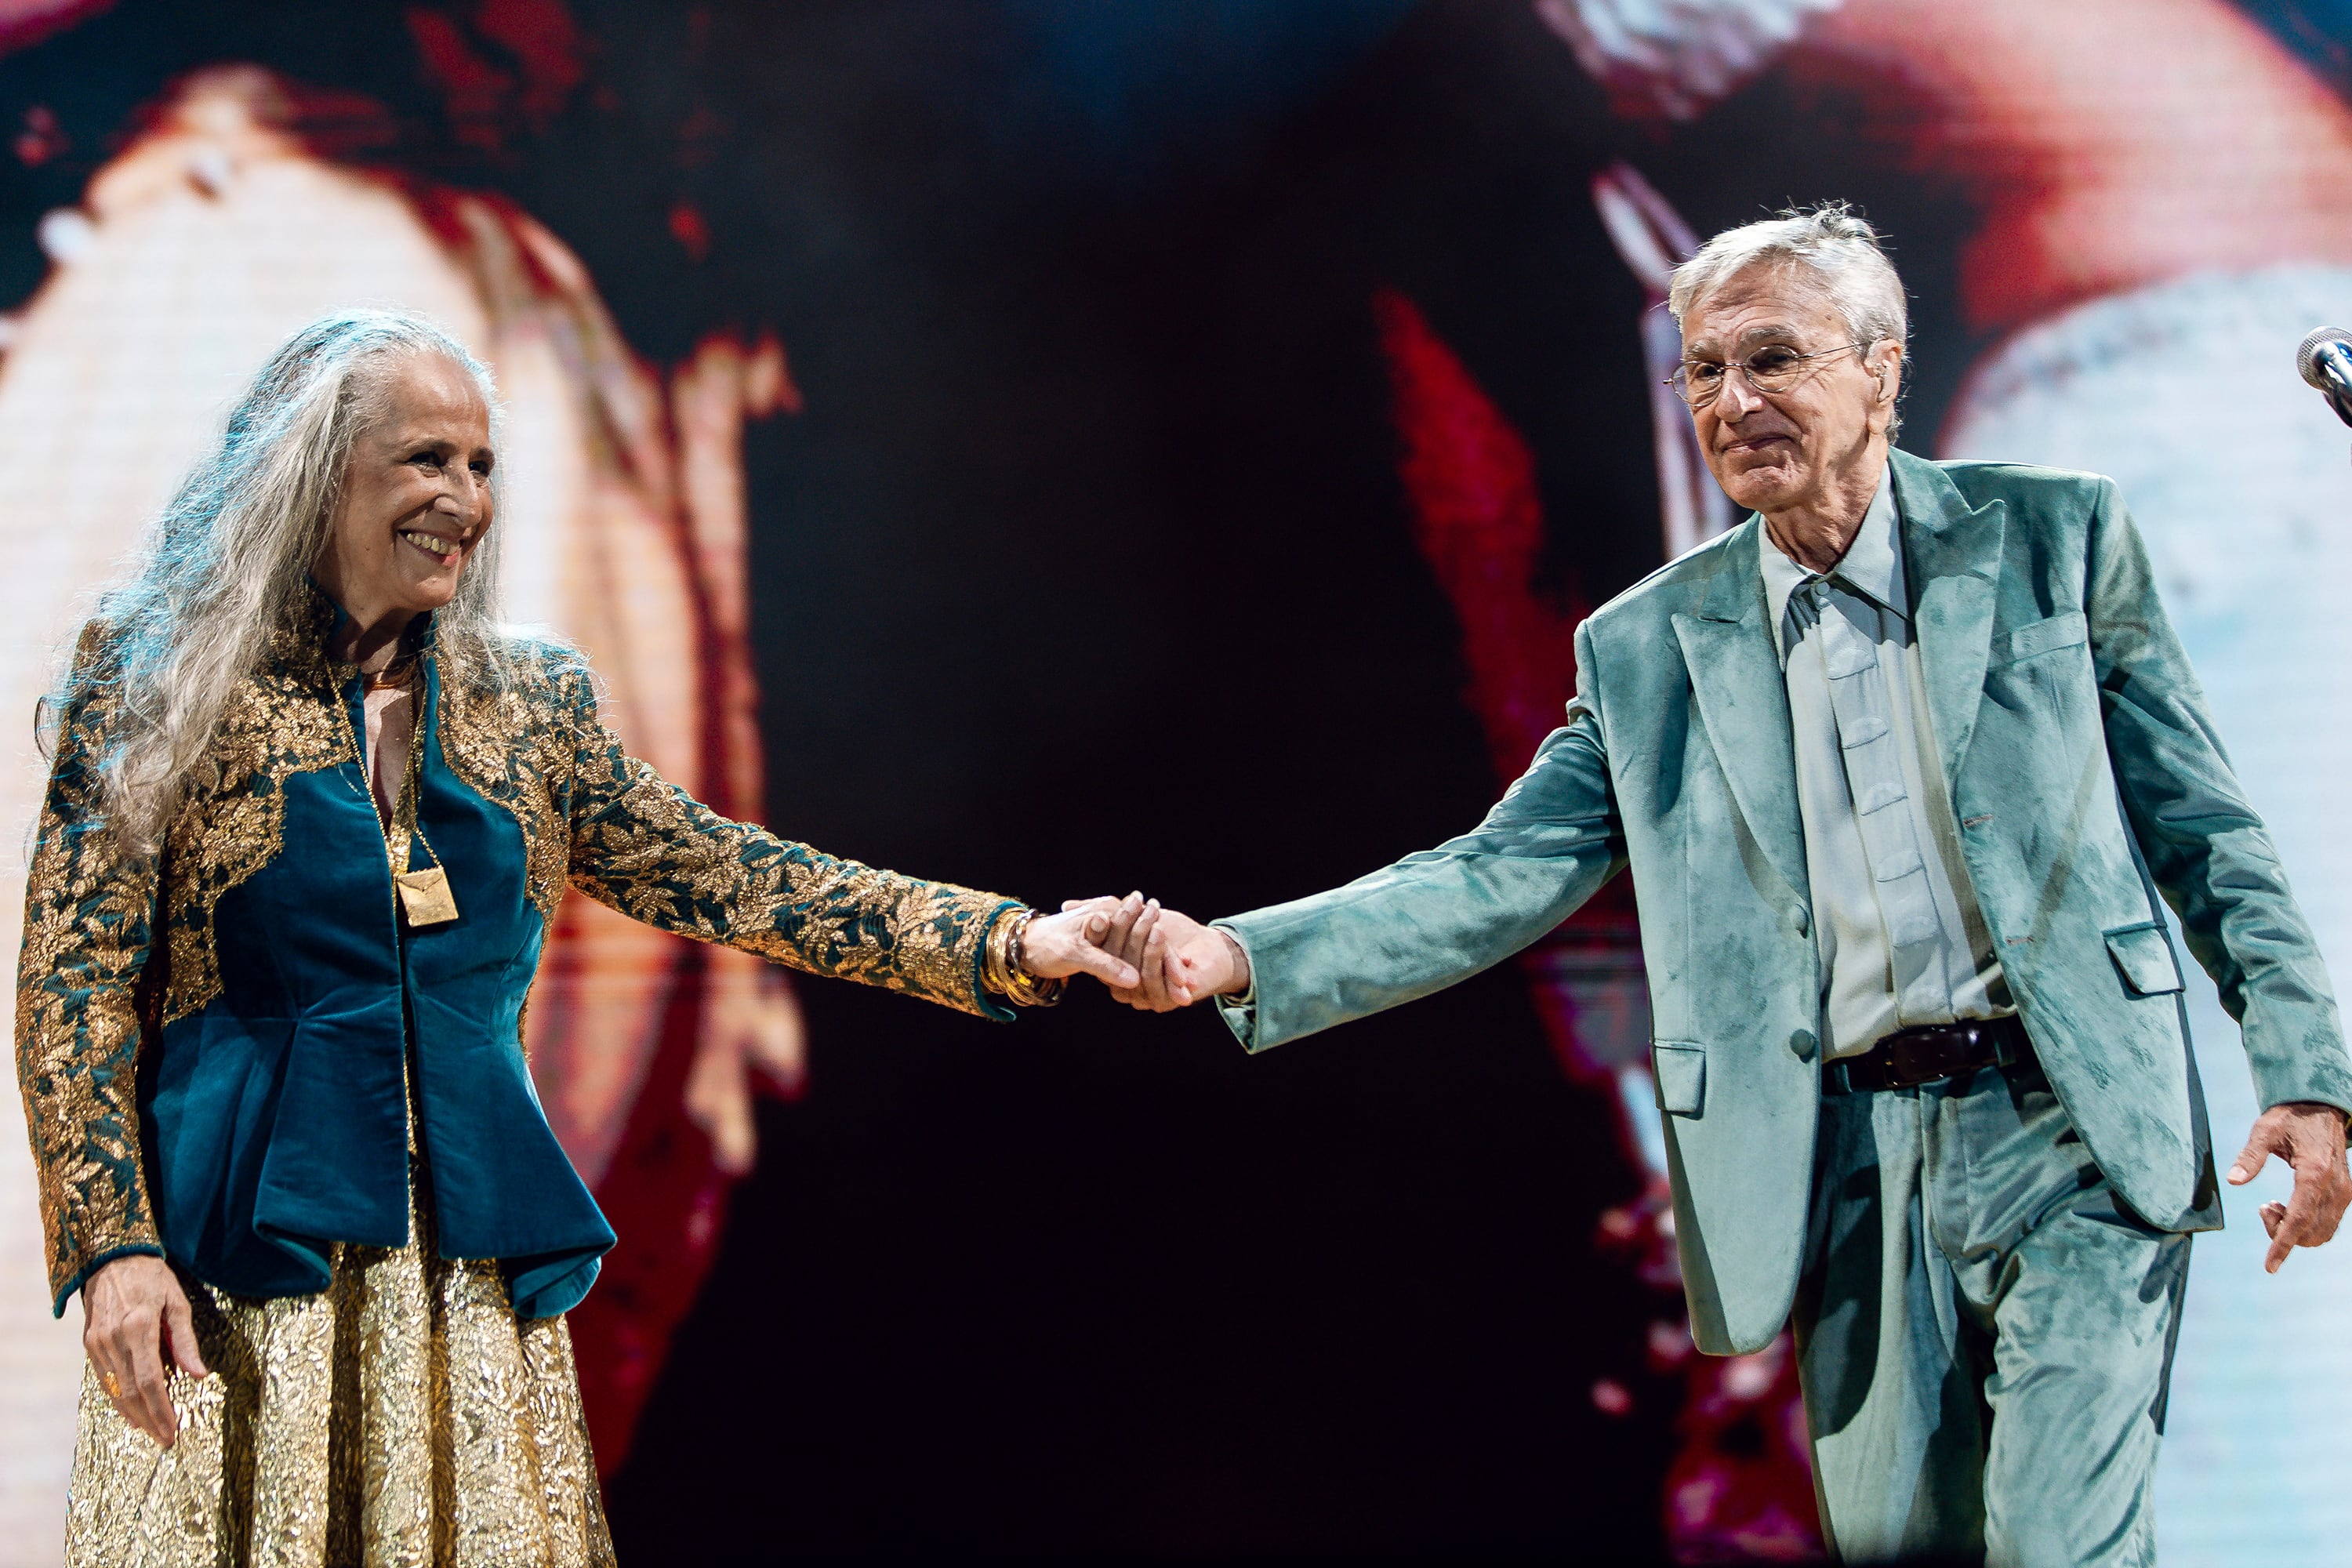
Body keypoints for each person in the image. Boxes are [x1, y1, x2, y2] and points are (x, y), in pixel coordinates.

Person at [1094, 206, 2352, 1564]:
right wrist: (1235, 955)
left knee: (2062, 1544)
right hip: (1848, 1168)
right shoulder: (1643, 651)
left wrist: (2307, 1073)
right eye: (1705, 370)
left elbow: (2205, 829)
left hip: (2072, 1127)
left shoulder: (2055, 536)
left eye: (1773, 359)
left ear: (1880, 367)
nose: (1734, 401)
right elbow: (1496, 874)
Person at [16, 310, 1139, 1564]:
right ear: (319, 472)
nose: (465, 498)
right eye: (427, 459)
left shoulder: (529, 705)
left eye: (482, 466)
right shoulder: (162, 682)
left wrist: (1008, 940)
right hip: (241, 1285)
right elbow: (73, 991)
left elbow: (730, 875)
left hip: (464, 1291)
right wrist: (112, 1252)